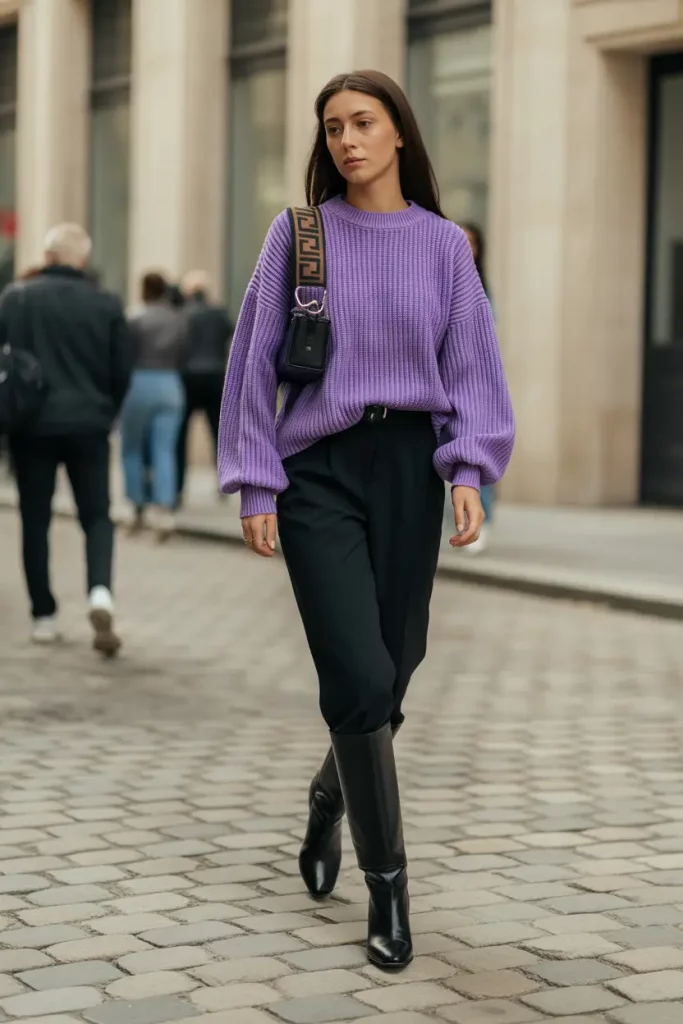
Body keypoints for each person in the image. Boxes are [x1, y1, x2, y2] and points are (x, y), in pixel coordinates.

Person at [217, 70, 514, 969]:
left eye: (362, 123)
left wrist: (468, 468)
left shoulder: (442, 247)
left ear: (397, 134)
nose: (345, 139)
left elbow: (471, 365)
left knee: (393, 668)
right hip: (320, 471)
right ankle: (388, 890)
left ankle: (330, 792)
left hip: (408, 471)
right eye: (332, 127)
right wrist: (256, 481)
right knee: (354, 666)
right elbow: (251, 358)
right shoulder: (297, 235)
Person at [0, 223, 132, 652]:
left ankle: (44, 615)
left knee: (35, 519)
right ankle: (100, 592)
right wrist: (106, 411)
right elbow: (121, 370)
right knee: (96, 514)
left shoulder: (16, 297)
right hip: (89, 423)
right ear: (83, 259)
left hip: (31, 425)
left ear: (47, 255)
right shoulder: (105, 302)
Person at [120, 272, 187, 540]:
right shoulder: (179, 319)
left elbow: (124, 354)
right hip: (171, 383)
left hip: (139, 381)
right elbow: (185, 354)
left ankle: (136, 507)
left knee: (132, 449)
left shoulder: (135, 318)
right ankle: (164, 511)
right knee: (165, 449)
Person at [176, 270, 233, 507]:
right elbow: (230, 335)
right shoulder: (219, 314)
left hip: (187, 377)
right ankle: (224, 482)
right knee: (217, 433)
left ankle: (177, 487)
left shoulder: (181, 314)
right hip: (215, 377)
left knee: (179, 436)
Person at [460, 221, 495, 553]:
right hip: (445, 382)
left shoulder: (481, 288)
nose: (466, 245)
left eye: (471, 240)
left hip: (475, 381)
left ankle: (478, 522)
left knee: (475, 455)